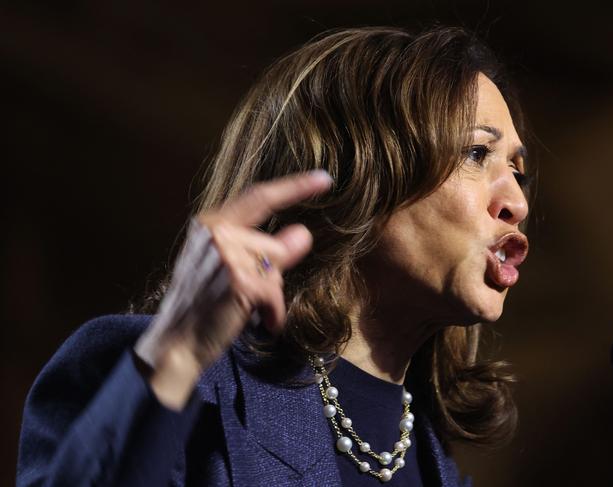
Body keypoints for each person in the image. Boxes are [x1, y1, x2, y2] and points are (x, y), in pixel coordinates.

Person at [16, 25, 532, 487]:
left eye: (517, 169)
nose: (517, 203)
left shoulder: (435, 463)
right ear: (360, 172)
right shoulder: (166, 383)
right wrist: (177, 355)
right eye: (475, 153)